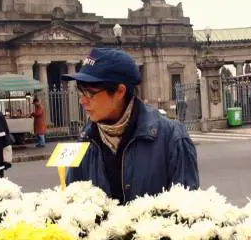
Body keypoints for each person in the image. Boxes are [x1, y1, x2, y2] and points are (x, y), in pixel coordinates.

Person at [62, 47, 199, 204]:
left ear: (120, 91)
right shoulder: (85, 141)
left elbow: (188, 212)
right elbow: (73, 208)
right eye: (81, 92)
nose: (82, 101)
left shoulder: (172, 138)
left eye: (89, 93)